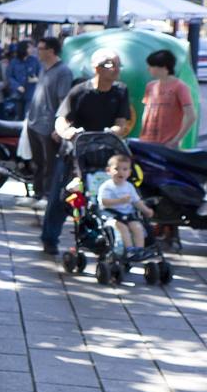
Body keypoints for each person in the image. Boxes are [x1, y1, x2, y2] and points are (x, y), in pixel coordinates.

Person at [42, 48, 134, 255]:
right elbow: (61, 119)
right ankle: (49, 238)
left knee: (98, 197)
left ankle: (101, 239)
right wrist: (66, 132)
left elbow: (122, 122)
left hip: (103, 154)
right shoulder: (79, 90)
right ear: (96, 68)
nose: (116, 69)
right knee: (62, 195)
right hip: (74, 153)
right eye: (111, 65)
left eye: (119, 65)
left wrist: (114, 132)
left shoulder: (120, 91)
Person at [23, 36, 72, 207]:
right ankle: (37, 194)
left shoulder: (63, 72)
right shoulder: (44, 68)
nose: (38, 51)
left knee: (49, 163)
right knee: (37, 162)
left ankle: (47, 196)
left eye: (41, 48)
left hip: (49, 125)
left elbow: (63, 101)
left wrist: (59, 127)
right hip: (35, 122)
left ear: (51, 51)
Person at [98, 152, 153, 254]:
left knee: (137, 226)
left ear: (129, 172)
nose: (121, 172)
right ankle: (129, 249)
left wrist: (146, 210)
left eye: (125, 169)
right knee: (122, 227)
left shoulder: (129, 186)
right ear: (108, 170)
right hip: (111, 215)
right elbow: (103, 202)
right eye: (117, 169)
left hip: (127, 215)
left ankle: (139, 250)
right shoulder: (107, 186)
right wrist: (120, 201)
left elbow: (136, 201)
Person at [140, 49, 196, 148]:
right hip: (146, 142)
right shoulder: (150, 86)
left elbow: (191, 116)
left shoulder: (180, 87)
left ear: (164, 67)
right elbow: (146, 112)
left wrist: (176, 140)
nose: (148, 69)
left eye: (152, 66)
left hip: (167, 144)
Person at [6, 40, 41, 121]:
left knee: (28, 116)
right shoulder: (14, 62)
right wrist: (17, 86)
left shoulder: (35, 60)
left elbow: (41, 73)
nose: (32, 49)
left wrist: (36, 79)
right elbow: (9, 76)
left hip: (30, 93)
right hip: (17, 94)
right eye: (29, 47)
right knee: (18, 116)